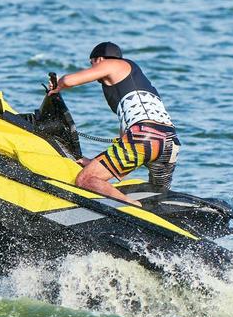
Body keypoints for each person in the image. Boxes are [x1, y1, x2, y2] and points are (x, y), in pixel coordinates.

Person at [46, 41, 180, 205]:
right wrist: (96, 162)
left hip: (144, 137)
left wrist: (58, 84)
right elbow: (125, 137)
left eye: (92, 64)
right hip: (169, 141)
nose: (93, 69)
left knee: (85, 179)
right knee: (157, 198)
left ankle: (133, 209)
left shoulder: (113, 64)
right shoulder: (133, 83)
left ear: (100, 59)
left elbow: (69, 81)